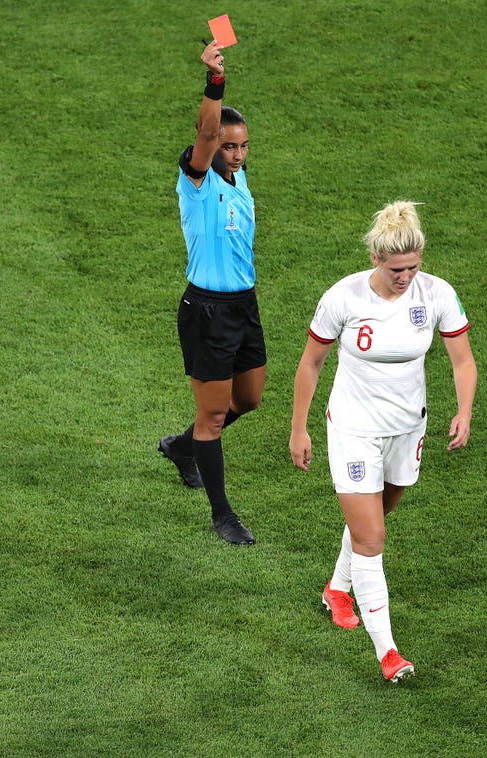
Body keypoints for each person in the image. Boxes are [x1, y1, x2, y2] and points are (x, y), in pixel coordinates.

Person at [289, 200, 477, 682]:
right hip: (353, 429)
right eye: (397, 268)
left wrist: (464, 410)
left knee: (378, 515)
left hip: (407, 428)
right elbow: (311, 363)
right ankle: (389, 653)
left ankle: (336, 587)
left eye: (413, 267)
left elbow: (461, 359)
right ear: (376, 258)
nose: (406, 276)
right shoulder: (344, 298)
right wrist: (299, 426)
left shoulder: (435, 293)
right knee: (372, 537)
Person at [158, 40, 266, 546]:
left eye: (243, 145)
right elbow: (205, 128)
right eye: (228, 146)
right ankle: (222, 515)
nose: (237, 154)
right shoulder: (196, 181)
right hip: (206, 310)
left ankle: (182, 448)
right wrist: (215, 82)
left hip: (244, 306)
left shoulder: (240, 179)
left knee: (250, 398)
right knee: (215, 416)